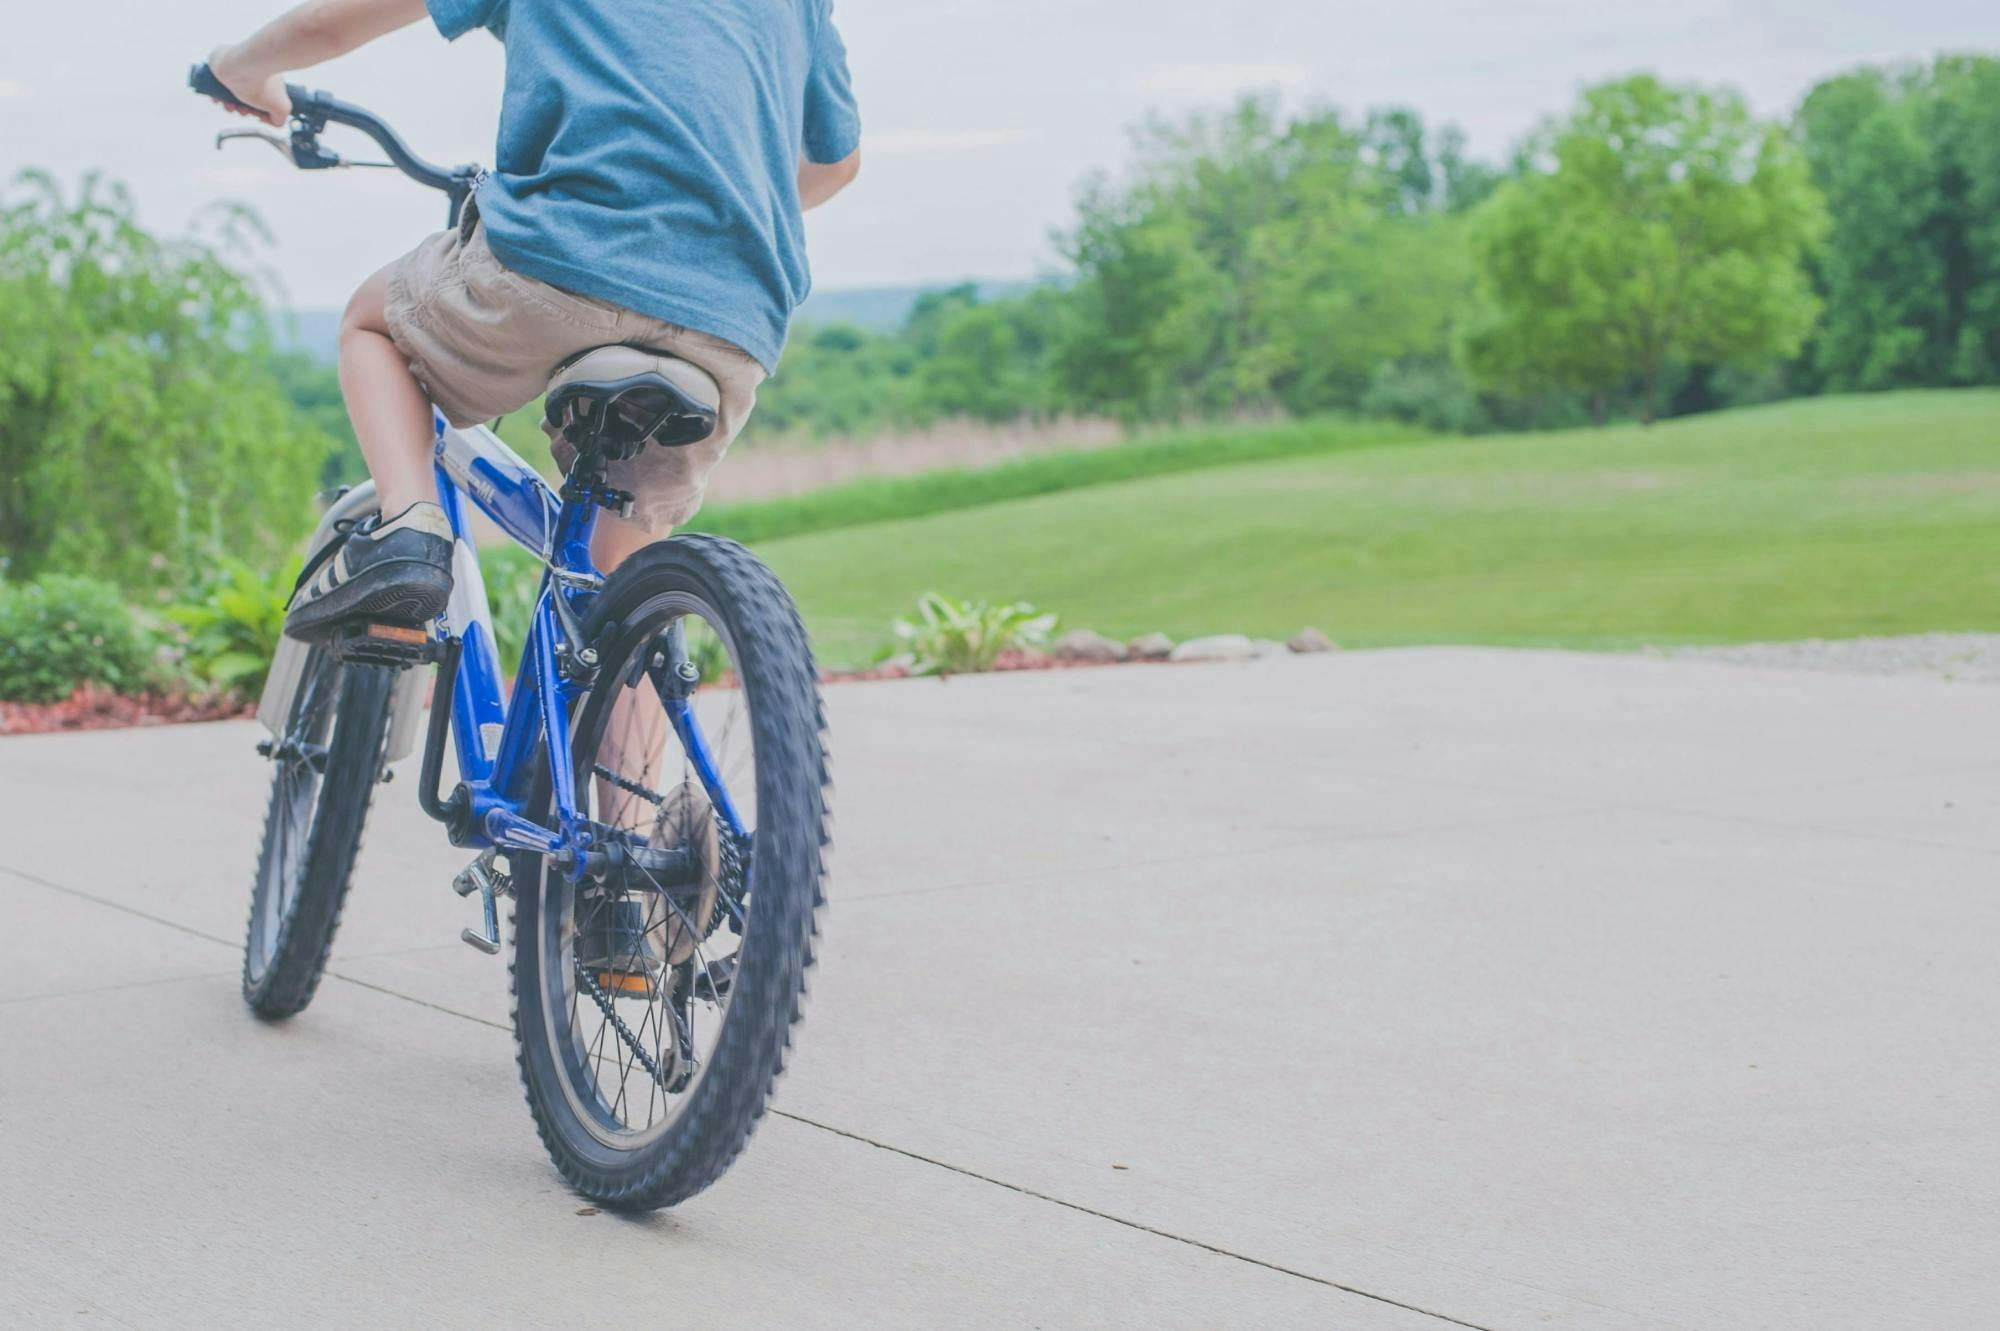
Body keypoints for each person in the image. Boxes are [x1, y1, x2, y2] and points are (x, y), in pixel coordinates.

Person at [203, 0, 861, 640]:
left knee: (371, 324)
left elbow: (328, 22)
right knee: (624, 598)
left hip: (566, 258)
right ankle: (621, 744)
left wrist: (241, 69)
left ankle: (410, 528)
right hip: (732, 312)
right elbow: (836, 164)